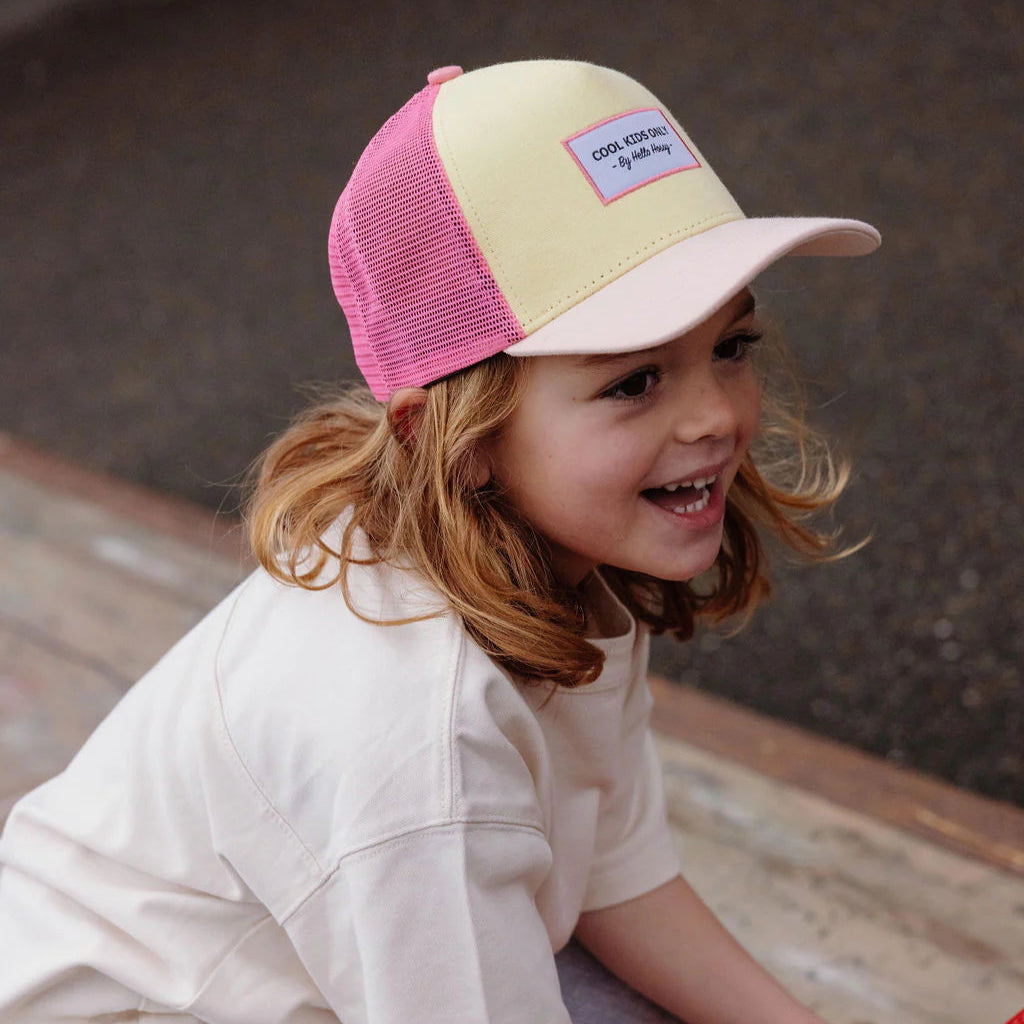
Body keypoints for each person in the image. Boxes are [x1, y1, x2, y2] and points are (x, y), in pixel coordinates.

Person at [0, 60, 878, 1023]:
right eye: (633, 382)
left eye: (731, 347)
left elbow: (611, 872)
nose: (714, 414)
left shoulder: (543, 560)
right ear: (456, 442)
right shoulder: (419, 743)